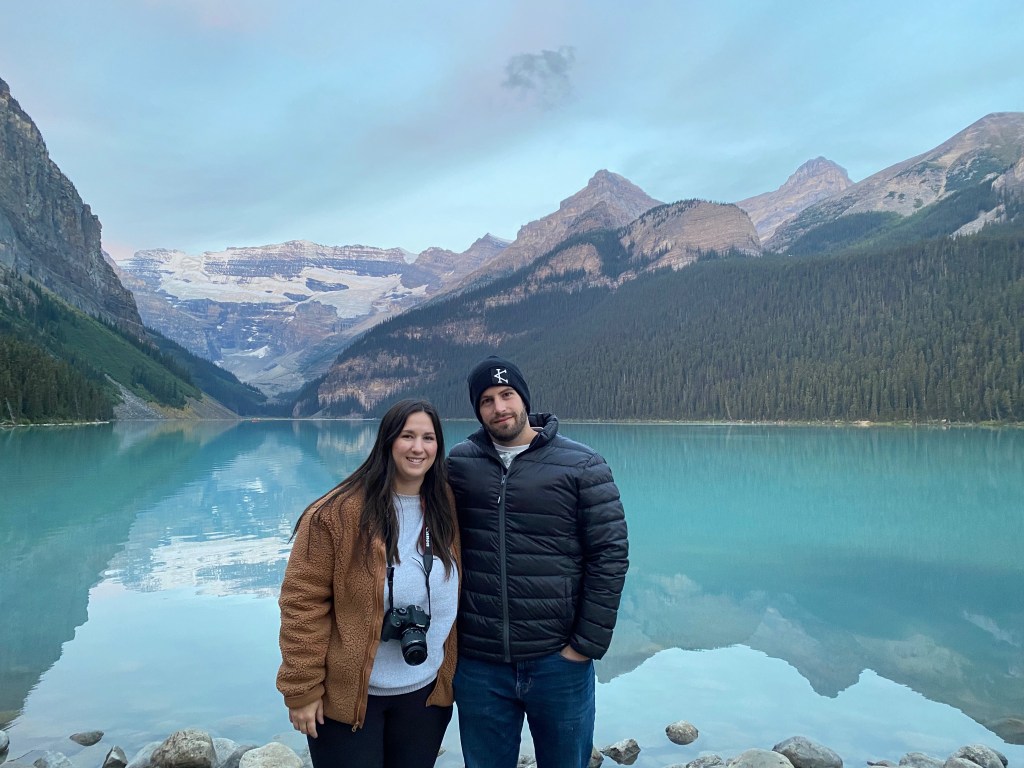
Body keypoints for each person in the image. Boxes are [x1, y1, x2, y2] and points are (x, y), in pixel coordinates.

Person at [446, 355, 629, 768]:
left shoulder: (582, 464)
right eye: (487, 400)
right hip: (480, 663)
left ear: (524, 398)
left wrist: (584, 646)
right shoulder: (459, 464)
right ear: (477, 409)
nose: (499, 408)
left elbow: (610, 555)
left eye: (507, 394)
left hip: (557, 661)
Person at [277, 398, 460, 768]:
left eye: (428, 437)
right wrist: (301, 690)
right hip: (348, 702)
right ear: (387, 442)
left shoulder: (446, 506)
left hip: (425, 697)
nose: (418, 447)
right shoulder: (334, 514)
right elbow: (301, 604)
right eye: (407, 436)